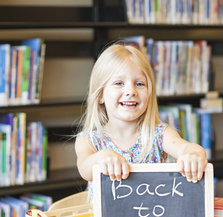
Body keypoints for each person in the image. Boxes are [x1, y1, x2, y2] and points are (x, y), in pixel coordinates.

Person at [75, 41, 208, 200]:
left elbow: (187, 148)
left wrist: (193, 154)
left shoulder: (160, 134)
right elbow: (84, 169)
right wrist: (100, 158)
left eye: (139, 84)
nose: (131, 91)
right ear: (100, 95)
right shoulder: (89, 140)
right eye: (119, 83)